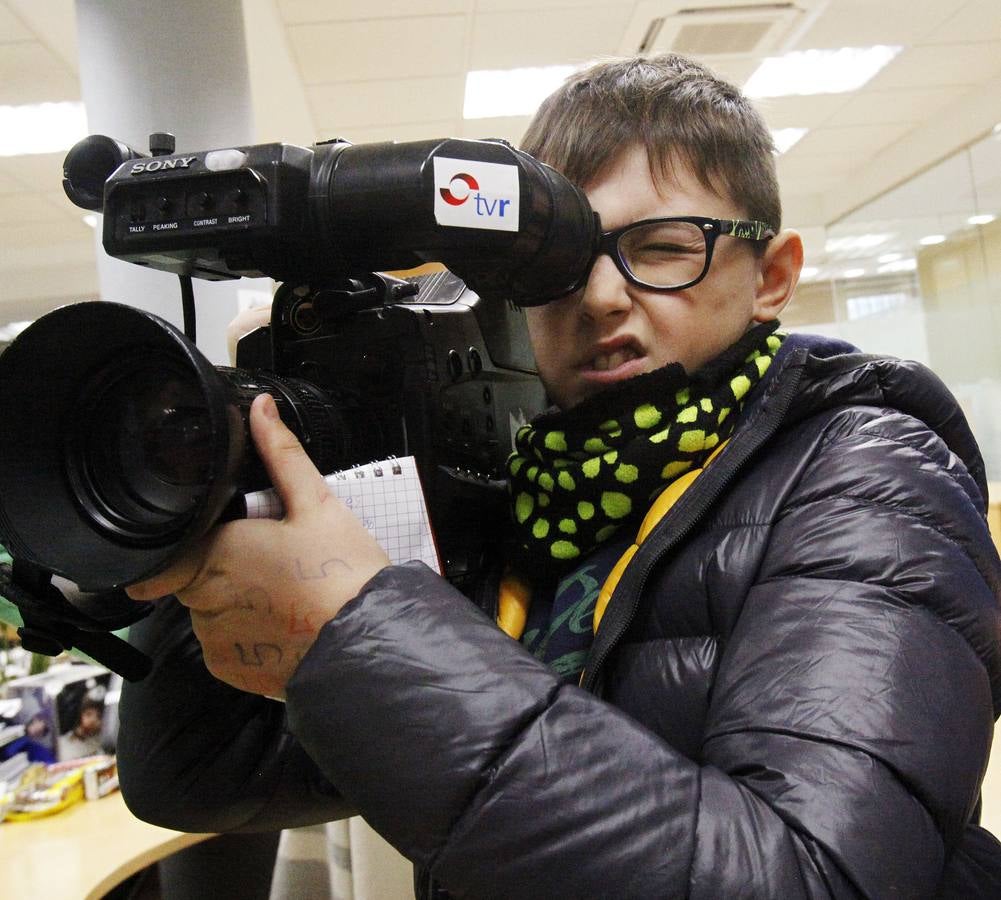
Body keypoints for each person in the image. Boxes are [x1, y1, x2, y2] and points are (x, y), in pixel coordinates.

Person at [117, 54, 1001, 897]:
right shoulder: (532, 499)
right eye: (553, 266)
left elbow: (813, 876)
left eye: (659, 247)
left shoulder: (869, 476)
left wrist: (359, 629)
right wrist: (214, 510)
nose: (601, 297)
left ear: (770, 276)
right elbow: (202, 778)